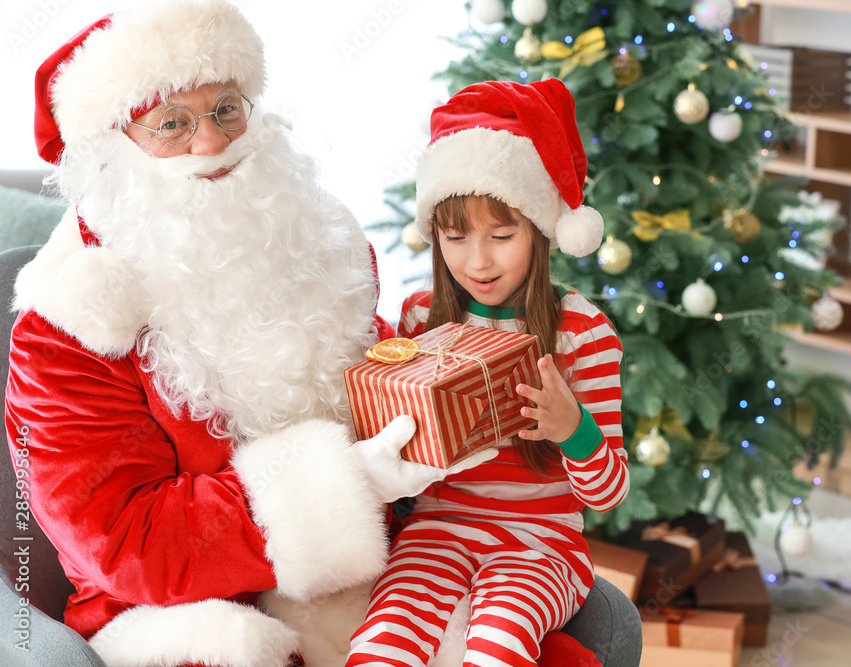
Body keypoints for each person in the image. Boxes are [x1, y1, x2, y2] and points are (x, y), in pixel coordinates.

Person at [6, 2, 640, 666]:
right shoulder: (71, 326)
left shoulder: (323, 246)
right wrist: (348, 483)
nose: (212, 142)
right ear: (113, 153)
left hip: (376, 577)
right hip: (192, 617)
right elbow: (123, 541)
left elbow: (393, 385)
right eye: (171, 123)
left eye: (227, 108)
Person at [346, 79, 630, 667]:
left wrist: (572, 427)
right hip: (437, 529)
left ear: (541, 230)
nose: (478, 261)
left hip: (541, 544)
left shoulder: (582, 331)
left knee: (499, 643)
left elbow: (610, 492)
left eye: (502, 236)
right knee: (382, 642)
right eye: (455, 237)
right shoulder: (421, 316)